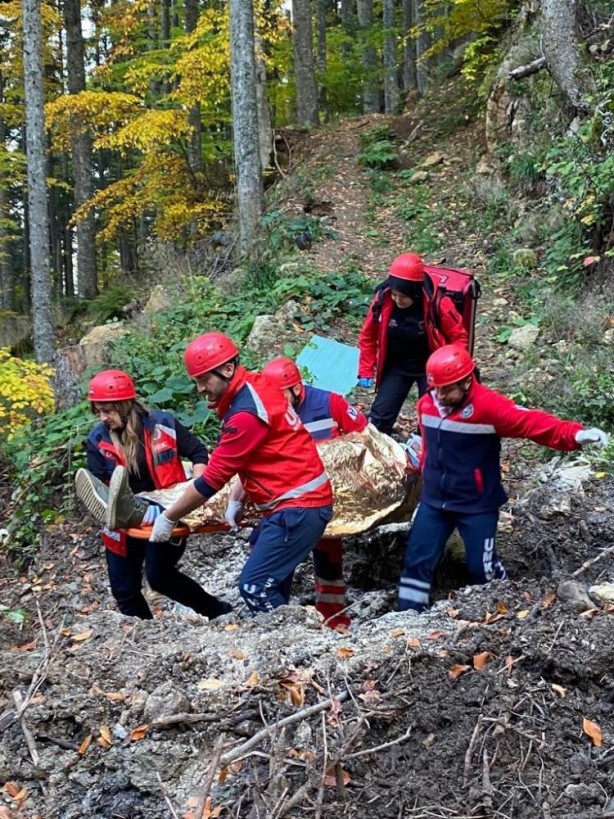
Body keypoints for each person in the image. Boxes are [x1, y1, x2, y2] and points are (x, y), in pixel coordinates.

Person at [398, 344, 609, 613]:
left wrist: (576, 435)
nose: (439, 395)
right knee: (416, 561)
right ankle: (408, 616)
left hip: (476, 505)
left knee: (481, 569)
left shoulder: (488, 407)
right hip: (434, 501)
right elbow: (429, 445)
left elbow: (532, 422)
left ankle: (505, 612)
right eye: (435, 387)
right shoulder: (426, 404)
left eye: (446, 389)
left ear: (465, 382)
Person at [148, 333, 334, 615]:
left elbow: (212, 479)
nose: (199, 389)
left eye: (203, 380)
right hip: (296, 503)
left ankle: (292, 642)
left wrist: (169, 516)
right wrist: (236, 498)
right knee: (274, 583)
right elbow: (260, 456)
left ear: (227, 369)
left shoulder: (245, 414)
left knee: (255, 585)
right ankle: (284, 641)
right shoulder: (258, 387)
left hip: (296, 508)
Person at [75, 368, 231, 621]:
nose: (102, 417)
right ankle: (148, 635)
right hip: (121, 521)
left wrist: (198, 488)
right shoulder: (97, 440)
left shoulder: (164, 423)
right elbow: (100, 485)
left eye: (107, 410)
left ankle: (219, 612)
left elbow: (199, 454)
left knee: (161, 578)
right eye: (98, 411)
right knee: (124, 591)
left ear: (125, 405)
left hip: (169, 509)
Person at [260, 357, 368, 628]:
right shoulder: (267, 411)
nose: (278, 402)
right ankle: (276, 616)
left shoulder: (330, 404)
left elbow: (365, 437)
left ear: (296, 388)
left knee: (328, 560)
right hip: (283, 500)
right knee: (272, 557)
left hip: (324, 498)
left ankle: (334, 619)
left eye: (281, 395)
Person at [358, 252, 468, 435]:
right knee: (379, 418)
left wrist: (453, 370)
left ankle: (425, 453)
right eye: (395, 294)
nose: (398, 300)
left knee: (432, 420)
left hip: (432, 368)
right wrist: (365, 369)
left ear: (414, 292)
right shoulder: (383, 300)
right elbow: (368, 336)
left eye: (403, 296)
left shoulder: (438, 304)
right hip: (397, 365)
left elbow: (459, 337)